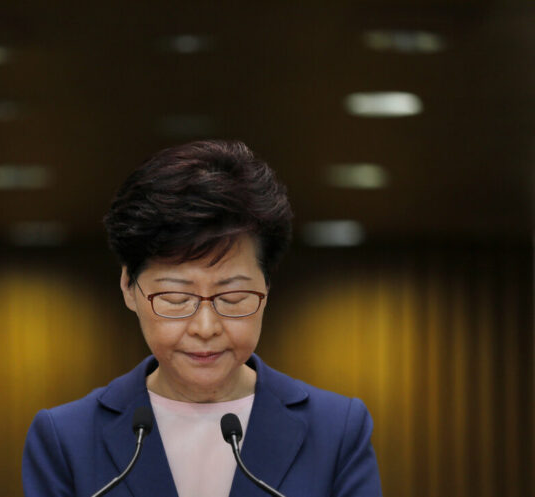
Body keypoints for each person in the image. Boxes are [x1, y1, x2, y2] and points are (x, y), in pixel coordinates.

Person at [22, 140, 382, 497]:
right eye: (176, 298)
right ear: (129, 288)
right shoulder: (65, 438)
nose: (205, 328)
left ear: (267, 286)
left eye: (233, 297)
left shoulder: (336, 431)